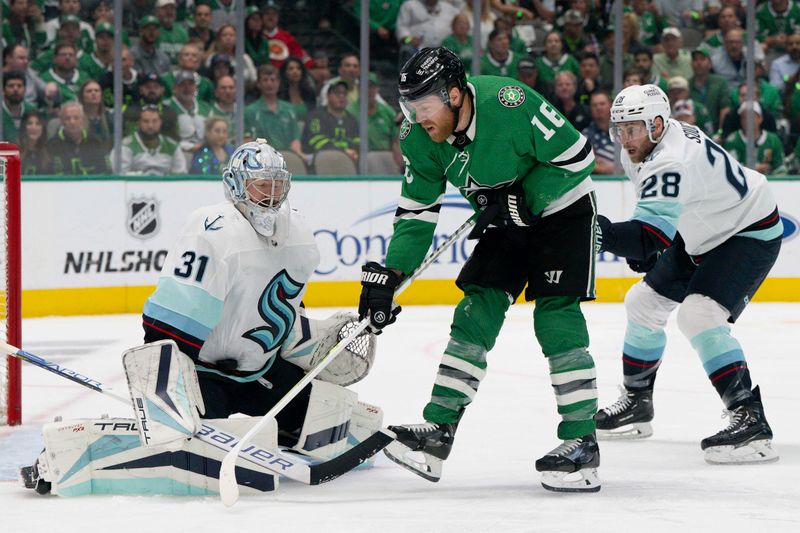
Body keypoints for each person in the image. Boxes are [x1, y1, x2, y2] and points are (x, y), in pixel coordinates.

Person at [20, 139, 383, 497]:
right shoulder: (214, 229)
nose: (270, 195)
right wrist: (163, 395)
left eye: (277, 184)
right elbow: (170, 322)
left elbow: (281, 310)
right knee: (174, 439)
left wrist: (313, 339)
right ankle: (72, 452)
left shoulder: (298, 232)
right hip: (202, 374)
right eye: (261, 185)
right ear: (236, 186)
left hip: (260, 372)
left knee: (328, 417)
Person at [360, 47, 600, 492]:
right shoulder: (418, 136)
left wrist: (524, 197)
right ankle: (438, 434)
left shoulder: (510, 102)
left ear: (454, 95)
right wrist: (391, 276)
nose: (417, 116)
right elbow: (416, 212)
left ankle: (582, 443)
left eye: (426, 105)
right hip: (504, 217)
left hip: (563, 211)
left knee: (556, 317)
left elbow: (579, 157)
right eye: (410, 106)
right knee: (475, 310)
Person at [594, 84, 781, 465]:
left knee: (699, 316)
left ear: (658, 124)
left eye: (632, 128)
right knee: (642, 303)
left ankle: (750, 418)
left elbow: (647, 236)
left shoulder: (670, 159)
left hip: (747, 231)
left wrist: (599, 233)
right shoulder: (651, 141)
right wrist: (648, 242)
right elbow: (659, 220)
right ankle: (637, 401)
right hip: (705, 230)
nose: (624, 139)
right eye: (620, 129)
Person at [245, 64, 307, 162]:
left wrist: (297, 154)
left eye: (273, 80)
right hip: (261, 160)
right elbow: (247, 142)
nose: (269, 84)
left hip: (287, 158)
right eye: (265, 80)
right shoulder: (250, 111)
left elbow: (295, 139)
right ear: (258, 84)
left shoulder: (289, 109)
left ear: (279, 83)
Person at [115, 105, 186, 175]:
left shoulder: (172, 146)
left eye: (155, 121)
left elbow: (180, 175)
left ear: (160, 122)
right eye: (146, 121)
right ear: (139, 123)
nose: (150, 126)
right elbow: (121, 176)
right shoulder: (125, 146)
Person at [302, 80, 360, 162]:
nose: (342, 96)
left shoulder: (352, 119)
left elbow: (358, 139)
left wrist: (356, 151)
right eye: (337, 93)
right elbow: (316, 140)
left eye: (344, 94)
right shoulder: (316, 116)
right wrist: (343, 152)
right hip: (321, 160)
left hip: (350, 160)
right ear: (328, 96)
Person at [723, 102, 785, 175]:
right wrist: (754, 169)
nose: (747, 120)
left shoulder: (773, 140)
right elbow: (730, 170)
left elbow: (781, 168)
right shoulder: (732, 140)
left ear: (760, 118)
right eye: (744, 117)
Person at [49, 101, 110, 175]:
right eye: (67, 118)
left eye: (76, 118)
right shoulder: (51, 145)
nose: (72, 122)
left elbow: (106, 172)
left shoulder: (96, 142)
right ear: (62, 121)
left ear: (83, 119)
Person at [582, 90, 614, 175]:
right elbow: (586, 162)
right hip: (601, 182)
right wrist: (607, 170)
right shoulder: (586, 135)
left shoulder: (622, 130)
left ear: (611, 106)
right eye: (594, 105)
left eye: (602, 104)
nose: (598, 107)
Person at [77, 79, 113, 151]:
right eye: (89, 91)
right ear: (82, 96)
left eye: (96, 91)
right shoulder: (76, 117)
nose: (93, 93)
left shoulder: (110, 116)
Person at [278, 56, 317, 121]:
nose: (295, 71)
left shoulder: (309, 92)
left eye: (298, 68)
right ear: (284, 72)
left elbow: (314, 116)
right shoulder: (279, 94)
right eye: (291, 69)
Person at [2, 71, 36, 143]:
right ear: (3, 90)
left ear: (25, 90)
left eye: (19, 86)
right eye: (11, 86)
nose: (16, 89)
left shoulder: (32, 110)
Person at [17, 110, 52, 174]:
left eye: (38, 124)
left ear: (43, 128)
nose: (34, 128)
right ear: (24, 127)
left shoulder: (50, 150)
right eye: (29, 123)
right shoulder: (14, 152)